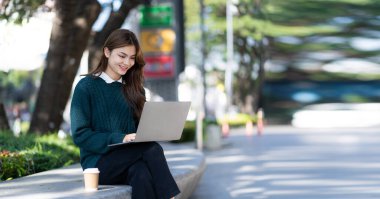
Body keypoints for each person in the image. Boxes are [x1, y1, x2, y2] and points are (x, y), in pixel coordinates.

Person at [70, 29, 180, 199]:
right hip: (98, 164)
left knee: (141, 173)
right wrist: (120, 138)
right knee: (152, 149)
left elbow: (139, 133)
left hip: (130, 158)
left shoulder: (135, 89)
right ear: (107, 52)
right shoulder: (86, 87)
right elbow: (80, 135)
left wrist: (154, 129)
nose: (127, 62)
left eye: (131, 58)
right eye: (122, 56)